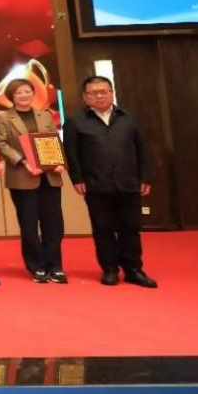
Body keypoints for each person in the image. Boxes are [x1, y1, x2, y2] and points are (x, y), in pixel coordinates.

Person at [63, 76, 157, 287]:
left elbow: (143, 149)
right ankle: (110, 269)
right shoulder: (75, 121)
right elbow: (72, 153)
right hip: (95, 183)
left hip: (129, 182)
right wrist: (77, 178)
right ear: (85, 96)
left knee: (130, 227)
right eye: (93, 93)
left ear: (112, 93)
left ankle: (134, 269)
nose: (99, 96)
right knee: (102, 228)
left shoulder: (129, 118)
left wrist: (145, 177)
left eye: (104, 91)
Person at [0, 78, 66, 283]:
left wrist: (59, 161)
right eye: (19, 92)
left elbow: (54, 141)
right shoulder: (4, 118)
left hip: (50, 176)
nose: (24, 95)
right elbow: (1, 144)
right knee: (29, 224)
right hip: (23, 176)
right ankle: (37, 266)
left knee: (54, 223)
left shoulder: (45, 115)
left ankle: (55, 265)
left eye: (27, 91)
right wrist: (24, 162)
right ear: (11, 96)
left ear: (34, 93)